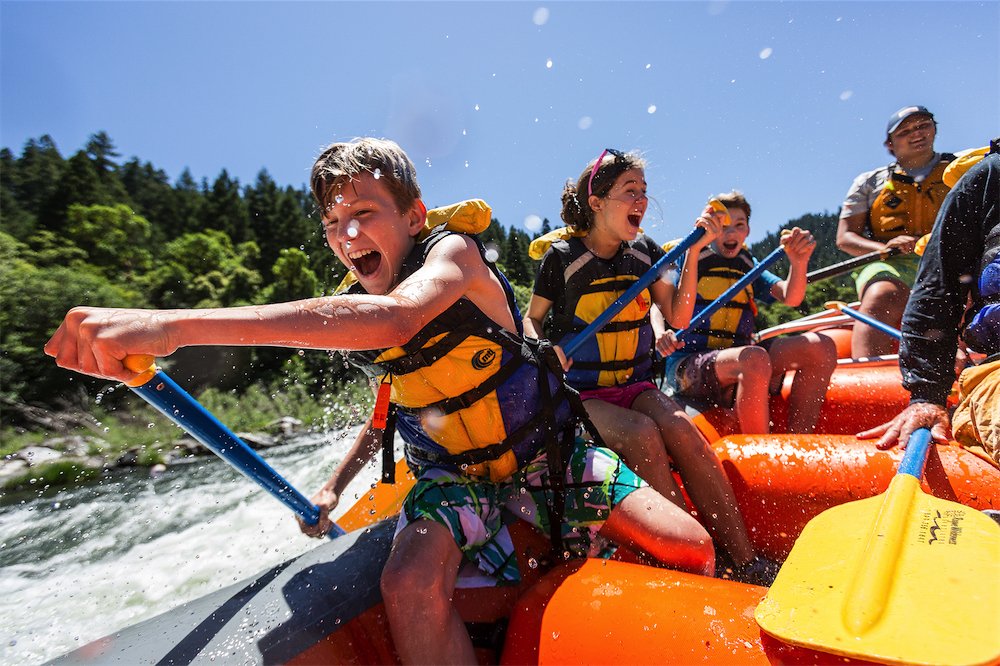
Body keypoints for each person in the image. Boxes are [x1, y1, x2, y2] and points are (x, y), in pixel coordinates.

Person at [44, 138, 715, 664]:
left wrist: (169, 329)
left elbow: (398, 319)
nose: (347, 233)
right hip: (456, 478)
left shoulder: (453, 256)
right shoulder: (360, 311)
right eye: (334, 221)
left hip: (549, 451)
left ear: (413, 217)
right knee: (408, 581)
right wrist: (334, 489)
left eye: (364, 213)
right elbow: (385, 420)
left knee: (688, 548)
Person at [523, 150, 776, 585]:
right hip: (584, 395)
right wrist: (542, 348)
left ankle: (745, 558)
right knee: (642, 434)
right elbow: (532, 319)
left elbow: (677, 317)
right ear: (597, 202)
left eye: (644, 191)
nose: (641, 200)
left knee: (683, 431)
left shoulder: (646, 253)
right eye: (629, 191)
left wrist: (693, 253)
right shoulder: (562, 259)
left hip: (637, 385)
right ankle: (696, 562)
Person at [859, 143, 1000, 467]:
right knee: (882, 293)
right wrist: (927, 394)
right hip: (996, 365)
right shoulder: (988, 177)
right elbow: (938, 289)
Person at [662, 191, 837, 435]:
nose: (731, 233)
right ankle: (761, 454)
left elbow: (791, 297)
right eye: (723, 226)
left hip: (740, 356)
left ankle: (800, 439)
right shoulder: (687, 256)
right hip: (688, 366)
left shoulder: (748, 264)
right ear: (710, 228)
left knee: (821, 347)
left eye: (739, 225)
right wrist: (663, 333)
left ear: (748, 231)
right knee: (753, 359)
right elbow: (658, 303)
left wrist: (798, 263)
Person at [837, 105, 956, 358]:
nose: (917, 133)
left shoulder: (960, 171)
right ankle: (869, 379)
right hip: (891, 263)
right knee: (882, 295)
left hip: (949, 259)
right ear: (890, 144)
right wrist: (885, 248)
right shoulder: (869, 182)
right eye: (905, 131)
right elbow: (845, 238)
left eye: (924, 125)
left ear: (935, 129)